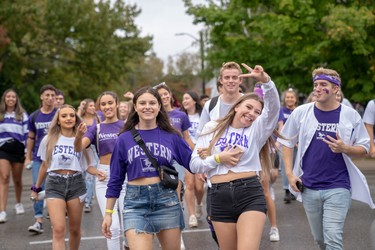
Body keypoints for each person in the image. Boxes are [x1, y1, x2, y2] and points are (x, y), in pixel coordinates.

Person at [278, 67, 375, 249]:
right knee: (320, 239)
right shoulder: (301, 112)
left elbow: (364, 148)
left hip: (338, 186)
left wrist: (345, 148)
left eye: (324, 84)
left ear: (336, 89)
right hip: (309, 186)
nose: (318, 88)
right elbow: (286, 142)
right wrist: (290, 174)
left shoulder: (350, 115)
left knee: (332, 237)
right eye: (315, 85)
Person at [190, 64, 280, 250]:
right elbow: (194, 164)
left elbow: (272, 108)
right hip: (218, 195)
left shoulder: (257, 130)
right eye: (248, 107)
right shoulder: (212, 127)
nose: (252, 113)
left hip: (249, 193)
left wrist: (266, 81)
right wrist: (217, 159)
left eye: (257, 112)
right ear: (237, 106)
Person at [102, 87, 192, 250]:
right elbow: (115, 179)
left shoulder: (171, 135)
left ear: (159, 106)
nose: (147, 107)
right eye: (142, 103)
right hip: (135, 204)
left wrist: (217, 158)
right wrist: (109, 213)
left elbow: (193, 163)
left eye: (152, 103)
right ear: (135, 107)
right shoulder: (124, 139)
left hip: (166, 201)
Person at [31, 104, 104, 250]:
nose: (68, 118)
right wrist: (36, 187)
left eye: (71, 115)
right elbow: (45, 165)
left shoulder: (83, 139)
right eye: (64, 116)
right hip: (54, 184)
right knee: (58, 229)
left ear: (76, 118)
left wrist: (98, 172)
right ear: (58, 120)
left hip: (76, 184)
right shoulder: (49, 139)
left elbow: (87, 165)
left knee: (75, 230)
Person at [75, 91, 126, 249]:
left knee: (129, 224)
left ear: (116, 104)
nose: (107, 106)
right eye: (103, 104)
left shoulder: (127, 126)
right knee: (113, 225)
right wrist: (78, 135)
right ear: (99, 108)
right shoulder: (95, 128)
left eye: (110, 103)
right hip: (105, 178)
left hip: (127, 177)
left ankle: (128, 244)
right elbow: (78, 147)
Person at [25, 84, 57, 233]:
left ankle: (56, 218)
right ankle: (38, 220)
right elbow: (31, 137)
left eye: (53, 96)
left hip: (57, 157)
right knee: (37, 187)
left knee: (56, 187)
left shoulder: (59, 114)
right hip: (38, 157)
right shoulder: (34, 116)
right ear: (41, 97)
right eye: (47, 95)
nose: (50, 98)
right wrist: (27, 157)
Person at [0, 89, 28, 223]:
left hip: (18, 149)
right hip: (3, 149)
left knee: (17, 180)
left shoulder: (22, 115)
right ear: (4, 99)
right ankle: (2, 211)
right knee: (4, 177)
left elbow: (27, 134)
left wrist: (27, 151)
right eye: (8, 97)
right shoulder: (0, 114)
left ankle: (18, 203)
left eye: (13, 97)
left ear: (16, 99)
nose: (11, 99)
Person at [180, 91, 205, 224]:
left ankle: (199, 204)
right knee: (189, 184)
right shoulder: (181, 116)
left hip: (200, 152)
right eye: (183, 99)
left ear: (195, 100)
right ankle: (192, 215)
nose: (184, 101)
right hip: (186, 153)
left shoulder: (202, 116)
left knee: (199, 187)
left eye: (187, 98)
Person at [277, 88, 299, 204]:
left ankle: (294, 189)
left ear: (295, 99)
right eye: (287, 97)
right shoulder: (281, 110)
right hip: (285, 143)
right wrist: (280, 141)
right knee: (286, 166)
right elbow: (280, 126)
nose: (289, 99)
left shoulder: (299, 111)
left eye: (292, 97)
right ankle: (286, 189)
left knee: (296, 165)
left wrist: (298, 142)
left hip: (297, 144)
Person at [79, 98, 101, 213]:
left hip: (93, 149)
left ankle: (87, 201)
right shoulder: (80, 119)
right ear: (85, 108)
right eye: (90, 106)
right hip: (81, 148)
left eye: (94, 106)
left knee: (90, 176)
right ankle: (82, 198)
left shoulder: (97, 119)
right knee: (81, 175)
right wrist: (80, 108)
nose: (93, 108)